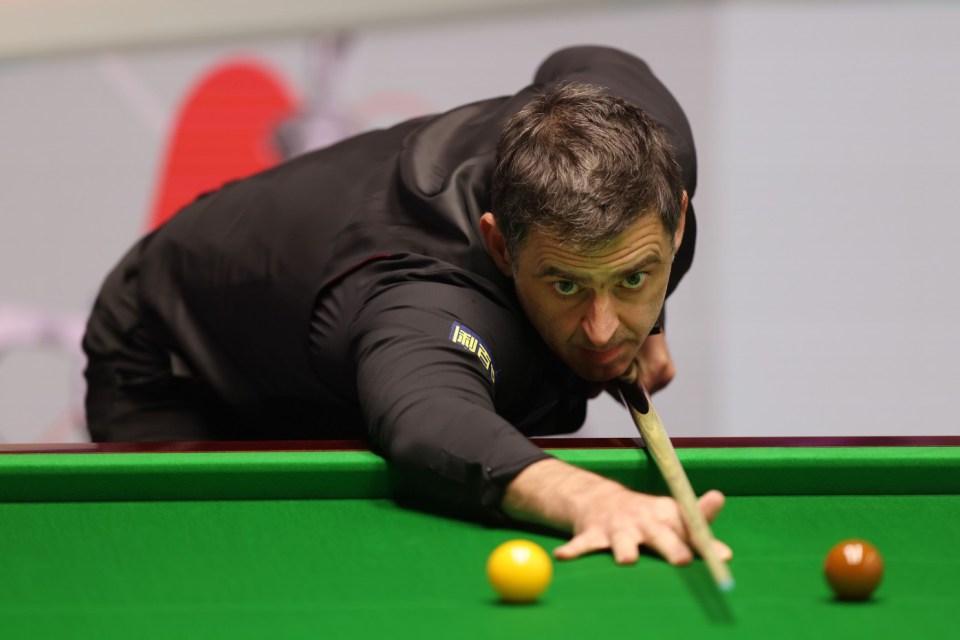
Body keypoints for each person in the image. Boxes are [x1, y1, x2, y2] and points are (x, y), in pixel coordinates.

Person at [82, 45, 732, 566]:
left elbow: (583, 55)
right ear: (500, 246)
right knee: (217, 574)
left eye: (632, 278)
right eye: (565, 285)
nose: (600, 329)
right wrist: (587, 497)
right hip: (174, 360)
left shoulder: (647, 138)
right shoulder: (423, 294)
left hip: (317, 316)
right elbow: (426, 416)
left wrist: (652, 321)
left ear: (676, 219)